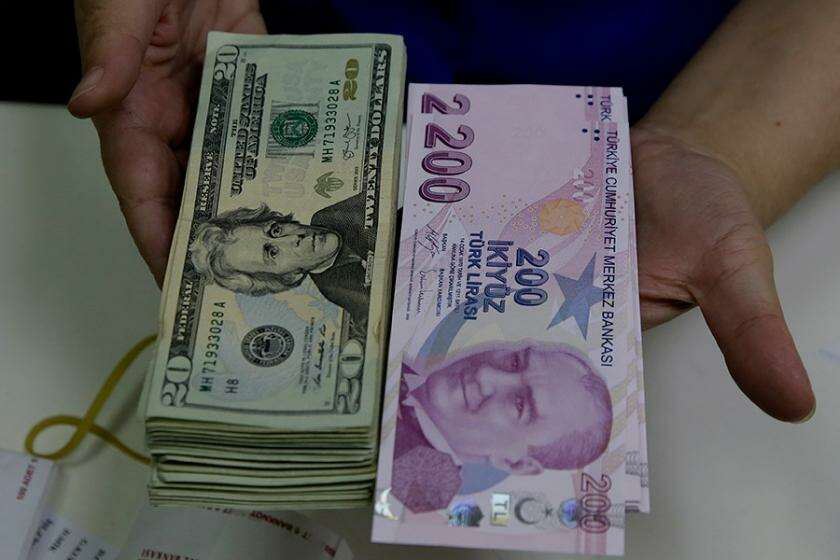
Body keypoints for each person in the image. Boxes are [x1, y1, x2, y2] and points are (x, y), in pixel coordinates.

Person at [67, 0, 836, 424]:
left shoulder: (337, 211)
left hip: (691, 68)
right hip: (286, 28)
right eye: (269, 253)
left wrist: (720, 143)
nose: (282, 234)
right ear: (274, 288)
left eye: (264, 227)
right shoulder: (340, 296)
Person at [390, 342, 612, 513]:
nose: (485, 374)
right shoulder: (397, 356)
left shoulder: (415, 490)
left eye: (520, 405)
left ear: (515, 463)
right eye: (515, 362)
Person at [190, 192, 372, 332]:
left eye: (275, 230)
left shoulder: (336, 216)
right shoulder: (335, 289)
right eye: (273, 253)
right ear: (288, 276)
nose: (294, 238)